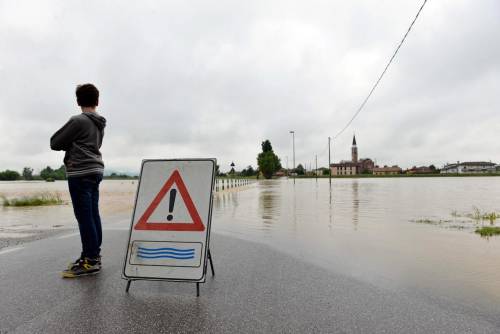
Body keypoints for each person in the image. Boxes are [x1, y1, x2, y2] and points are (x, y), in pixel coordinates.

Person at [50, 83, 106, 278]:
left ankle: (90, 260)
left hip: (80, 172)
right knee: (92, 214)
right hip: (96, 170)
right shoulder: (100, 122)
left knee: (84, 217)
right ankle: (92, 256)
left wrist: (70, 142)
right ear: (97, 101)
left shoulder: (78, 121)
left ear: (78, 101)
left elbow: (54, 142)